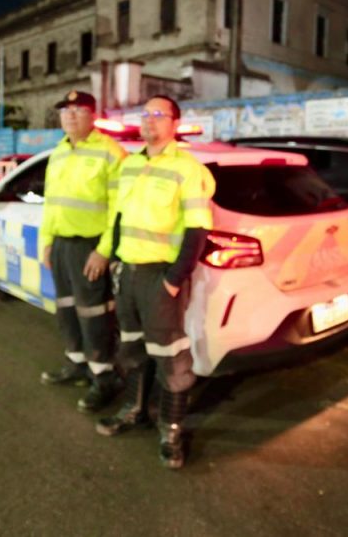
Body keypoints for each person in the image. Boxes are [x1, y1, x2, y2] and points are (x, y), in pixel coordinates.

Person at [95, 94, 215, 470]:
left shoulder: (187, 169)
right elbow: (119, 217)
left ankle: (171, 429)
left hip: (159, 277)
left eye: (158, 114)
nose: (149, 120)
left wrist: (174, 280)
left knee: (170, 354)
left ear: (174, 124)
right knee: (132, 347)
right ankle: (134, 410)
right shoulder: (131, 165)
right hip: (129, 273)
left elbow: (197, 229)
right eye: (145, 114)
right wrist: (114, 259)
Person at [38, 90, 128, 412]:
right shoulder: (59, 152)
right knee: (66, 309)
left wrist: (104, 251)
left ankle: (104, 377)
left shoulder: (110, 153)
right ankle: (76, 363)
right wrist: (46, 241)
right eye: (66, 110)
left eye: (78, 110)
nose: (71, 115)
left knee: (94, 315)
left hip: (90, 247)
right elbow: (51, 203)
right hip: (61, 245)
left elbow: (119, 209)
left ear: (94, 116)